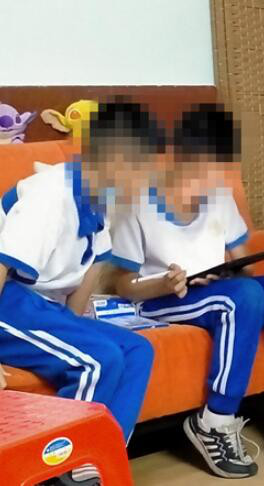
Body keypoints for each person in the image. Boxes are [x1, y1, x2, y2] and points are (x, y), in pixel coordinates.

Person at [111, 104, 264, 479]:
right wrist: (166, 282)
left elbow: (246, 268)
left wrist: (232, 271)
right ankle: (215, 421)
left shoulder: (219, 197)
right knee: (240, 297)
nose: (210, 174)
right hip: (161, 298)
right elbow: (122, 284)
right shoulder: (136, 203)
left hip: (219, 291)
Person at [0, 101, 160, 485]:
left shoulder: (101, 199)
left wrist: (76, 330)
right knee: (98, 360)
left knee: (138, 350)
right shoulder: (50, 196)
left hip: (41, 306)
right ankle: (56, 470)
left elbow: (91, 271)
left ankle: (99, 460)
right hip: (9, 298)